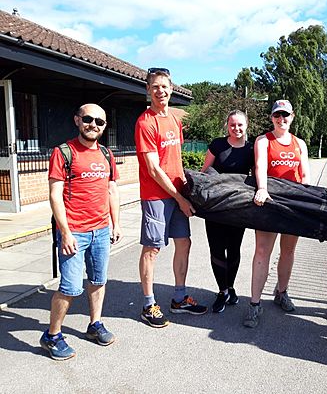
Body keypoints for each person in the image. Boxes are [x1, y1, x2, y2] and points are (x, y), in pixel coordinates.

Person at [40, 103, 122, 360]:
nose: (93, 125)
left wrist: (116, 223)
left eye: (99, 122)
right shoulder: (63, 152)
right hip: (75, 232)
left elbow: (111, 190)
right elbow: (55, 195)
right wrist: (65, 232)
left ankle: (94, 325)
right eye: (88, 119)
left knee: (98, 281)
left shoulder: (106, 155)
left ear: (104, 126)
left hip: (101, 230)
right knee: (70, 287)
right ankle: (52, 336)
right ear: (77, 120)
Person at [135, 67, 207, 328]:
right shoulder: (145, 122)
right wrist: (179, 197)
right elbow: (154, 169)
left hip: (177, 193)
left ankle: (179, 299)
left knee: (184, 243)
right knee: (152, 248)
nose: (160, 91)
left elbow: (173, 160)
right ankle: (148, 304)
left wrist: (186, 188)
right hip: (157, 195)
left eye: (164, 86)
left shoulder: (175, 120)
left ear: (171, 88)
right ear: (148, 90)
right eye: (155, 86)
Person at [243, 99, 310, 328]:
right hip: (270, 200)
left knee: (288, 251)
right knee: (262, 251)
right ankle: (254, 303)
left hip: (292, 202)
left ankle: (282, 292)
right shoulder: (263, 141)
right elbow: (260, 165)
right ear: (272, 118)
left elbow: (305, 174)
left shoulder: (299, 143)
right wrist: (262, 188)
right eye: (277, 116)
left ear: (292, 117)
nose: (281, 120)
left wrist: (306, 198)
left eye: (286, 115)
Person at [200, 110, 255, 313]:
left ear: (246, 125)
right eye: (232, 125)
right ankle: (222, 291)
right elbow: (205, 171)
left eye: (240, 125)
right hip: (215, 206)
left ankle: (230, 286)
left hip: (237, 207)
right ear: (227, 125)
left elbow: (257, 174)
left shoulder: (251, 149)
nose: (236, 128)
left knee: (233, 249)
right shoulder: (217, 144)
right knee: (216, 249)